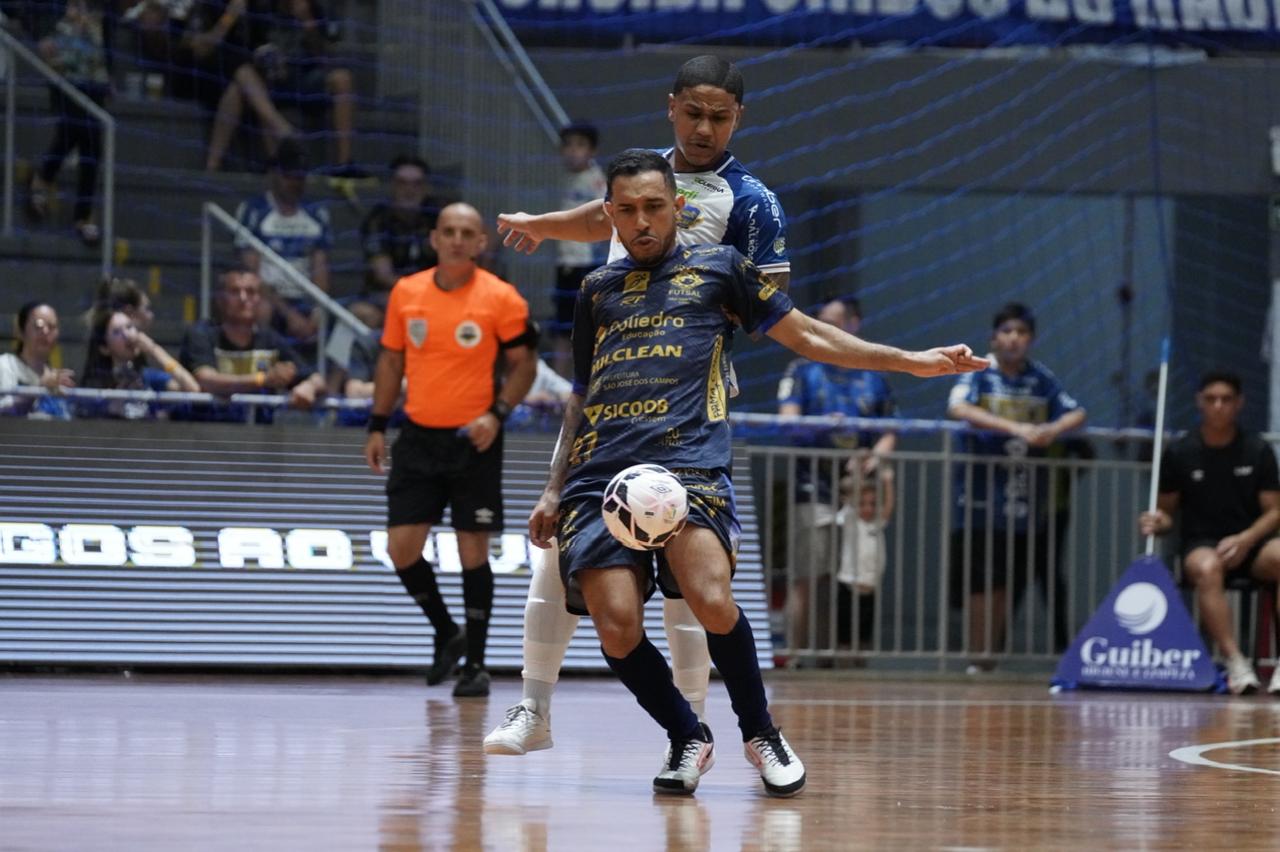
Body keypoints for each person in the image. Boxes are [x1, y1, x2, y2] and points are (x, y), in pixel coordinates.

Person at [525, 150, 986, 796]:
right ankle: (686, 735)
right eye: (627, 210)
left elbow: (810, 337)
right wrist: (553, 487)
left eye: (654, 206)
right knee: (616, 626)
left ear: (677, 207)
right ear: (609, 215)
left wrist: (911, 361)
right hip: (602, 475)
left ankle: (760, 731)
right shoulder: (595, 290)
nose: (642, 221)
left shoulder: (721, 268)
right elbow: (581, 392)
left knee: (712, 599)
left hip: (689, 464)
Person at [485, 53, 789, 758]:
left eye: (719, 117)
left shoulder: (751, 201)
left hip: (688, 399)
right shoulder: (642, 176)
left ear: (738, 119)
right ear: (671, 107)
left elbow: (772, 301)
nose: (704, 128)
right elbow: (601, 218)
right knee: (557, 553)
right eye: (694, 113)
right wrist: (542, 224)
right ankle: (535, 708)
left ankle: (694, 728)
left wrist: (693, 314)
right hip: (613, 393)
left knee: (690, 581)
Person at [363, 202, 538, 699]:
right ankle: (446, 630)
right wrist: (377, 424)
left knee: (472, 551)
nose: (457, 240)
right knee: (401, 549)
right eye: (449, 231)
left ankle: (476, 666)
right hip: (417, 437)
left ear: (481, 243)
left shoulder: (501, 298)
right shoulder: (406, 292)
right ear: (434, 239)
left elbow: (525, 364)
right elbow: (391, 361)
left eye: (467, 233)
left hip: (473, 440)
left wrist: (496, 414)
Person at [946, 302, 1085, 672]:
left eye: (1021, 333)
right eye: (1007, 331)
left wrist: (1051, 430)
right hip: (978, 499)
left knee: (1006, 582)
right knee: (979, 582)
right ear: (994, 338)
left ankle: (989, 658)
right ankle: (977, 657)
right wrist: (1016, 429)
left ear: (1031, 339)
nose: (1014, 339)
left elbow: (1077, 412)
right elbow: (958, 409)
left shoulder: (1040, 378)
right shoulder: (979, 371)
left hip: (1023, 503)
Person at [1139, 372, 1280, 695]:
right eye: (1211, 399)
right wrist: (1156, 522)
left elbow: (1275, 511)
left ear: (1239, 404)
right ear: (1199, 402)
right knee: (1207, 567)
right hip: (1202, 544)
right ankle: (1236, 663)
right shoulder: (1181, 452)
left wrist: (1245, 539)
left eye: (1226, 399)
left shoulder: (1257, 449)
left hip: (1252, 544)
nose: (1218, 406)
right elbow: (1166, 513)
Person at [776, 297, 896, 661]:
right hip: (812, 485)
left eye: (835, 322)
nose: (826, 328)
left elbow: (890, 431)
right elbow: (787, 421)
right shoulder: (801, 370)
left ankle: (835, 657)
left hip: (858, 492)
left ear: (854, 324)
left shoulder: (875, 374)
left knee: (850, 577)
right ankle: (795, 656)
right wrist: (819, 427)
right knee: (809, 574)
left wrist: (874, 458)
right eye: (821, 320)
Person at [179, 267, 325, 410]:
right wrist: (263, 379)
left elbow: (317, 379)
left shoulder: (270, 339)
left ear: (259, 300)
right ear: (220, 299)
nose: (243, 298)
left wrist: (309, 386)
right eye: (234, 291)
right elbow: (206, 380)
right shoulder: (201, 333)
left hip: (257, 425)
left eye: (250, 292)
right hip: (202, 423)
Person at [28, 0, 110, 245]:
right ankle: (77, 211)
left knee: (91, 145)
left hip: (93, 84)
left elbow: (104, 47)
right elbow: (45, 41)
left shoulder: (98, 17)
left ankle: (44, 181)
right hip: (66, 82)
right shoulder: (55, 13)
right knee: (75, 131)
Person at [235, 138, 331, 342]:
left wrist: (318, 308)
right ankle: (261, 360)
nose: (295, 183)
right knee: (261, 309)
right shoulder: (254, 211)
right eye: (289, 176)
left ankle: (333, 366)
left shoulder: (317, 214)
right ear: (274, 173)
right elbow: (251, 273)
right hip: (268, 295)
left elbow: (320, 268)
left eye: (300, 177)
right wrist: (289, 314)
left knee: (343, 320)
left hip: (304, 298)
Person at [250, 0, 360, 174]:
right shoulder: (263, 10)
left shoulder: (316, 10)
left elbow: (324, 57)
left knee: (342, 79)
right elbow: (252, 52)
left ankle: (344, 164)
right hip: (274, 80)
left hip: (308, 78)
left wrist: (307, 21)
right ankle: (273, 163)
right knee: (256, 85)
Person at [549, 122, 607, 377]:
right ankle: (559, 384)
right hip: (566, 264)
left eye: (580, 145)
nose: (573, 151)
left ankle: (590, 381)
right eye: (568, 145)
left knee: (588, 326)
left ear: (592, 151)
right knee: (562, 328)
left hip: (588, 265)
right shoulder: (565, 179)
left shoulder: (597, 182)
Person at [80, 309, 199, 418]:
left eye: (129, 327)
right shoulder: (95, 386)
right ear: (104, 348)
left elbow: (192, 388)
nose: (127, 335)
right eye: (117, 332)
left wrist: (154, 350)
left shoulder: (147, 377)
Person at [359, 154, 440, 305]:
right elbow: (383, 275)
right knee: (363, 312)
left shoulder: (438, 217)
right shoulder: (377, 220)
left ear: (426, 188)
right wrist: (417, 292)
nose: (409, 190)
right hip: (389, 294)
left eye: (417, 184)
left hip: (435, 294)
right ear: (392, 185)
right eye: (402, 183)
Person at [836, 470, 894, 655]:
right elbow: (851, 499)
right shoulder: (850, 520)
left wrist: (888, 482)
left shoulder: (876, 524)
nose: (868, 508)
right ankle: (844, 665)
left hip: (870, 589)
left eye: (873, 504)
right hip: (848, 586)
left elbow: (888, 507)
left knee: (864, 635)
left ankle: (859, 665)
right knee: (845, 635)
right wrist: (859, 470)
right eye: (862, 503)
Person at [0, 302, 75, 418]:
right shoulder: (5, 365)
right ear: (20, 331)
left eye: (52, 327)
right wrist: (39, 389)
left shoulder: (56, 378)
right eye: (39, 326)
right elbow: (4, 412)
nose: (45, 332)